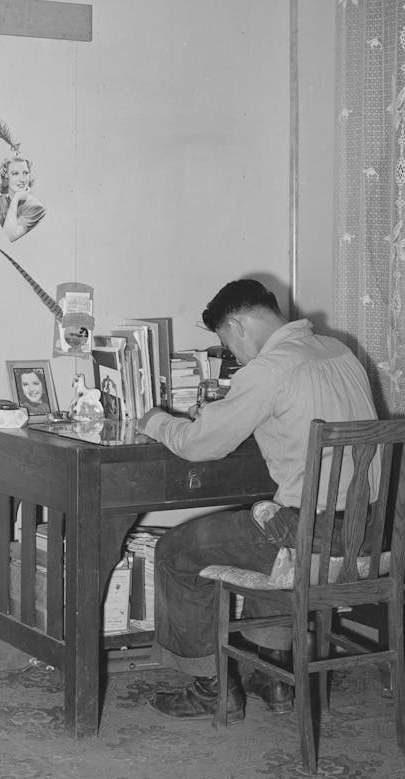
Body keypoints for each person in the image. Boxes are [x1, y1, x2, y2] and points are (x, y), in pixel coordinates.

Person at [137, 279, 378, 722]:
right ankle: (274, 677)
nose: (234, 355)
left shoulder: (269, 369)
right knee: (265, 525)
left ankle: (211, 688)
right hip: (367, 538)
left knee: (174, 551)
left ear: (238, 324)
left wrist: (154, 421)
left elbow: (199, 445)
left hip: (311, 541)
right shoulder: (340, 352)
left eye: (228, 345)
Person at [0, 155, 46, 242]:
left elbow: (8, 237)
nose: (22, 179)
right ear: (6, 176)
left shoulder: (36, 207)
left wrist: (16, 199)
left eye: (25, 173)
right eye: (15, 174)